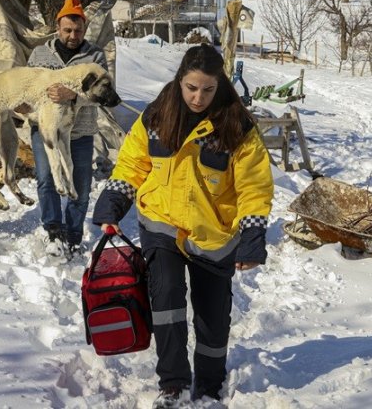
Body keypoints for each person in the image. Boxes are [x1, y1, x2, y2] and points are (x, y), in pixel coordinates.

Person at [93, 44, 274, 408]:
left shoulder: (236, 126)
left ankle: (208, 386)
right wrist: (112, 204)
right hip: (162, 223)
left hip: (213, 234)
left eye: (208, 89)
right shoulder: (158, 115)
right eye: (191, 87)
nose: (198, 97)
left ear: (219, 85)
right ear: (180, 80)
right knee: (166, 299)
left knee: (212, 318)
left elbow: (254, 187)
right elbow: (132, 164)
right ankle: (172, 382)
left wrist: (252, 238)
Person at [27, 0, 109, 258]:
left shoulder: (94, 57)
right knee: (46, 180)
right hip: (46, 130)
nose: (73, 36)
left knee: (81, 186)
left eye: (78, 30)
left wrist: (74, 95)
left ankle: (73, 234)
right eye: (68, 30)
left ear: (85, 28)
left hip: (80, 132)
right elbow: (28, 86)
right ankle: (53, 230)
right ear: (57, 27)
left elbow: (105, 94)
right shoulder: (40, 53)